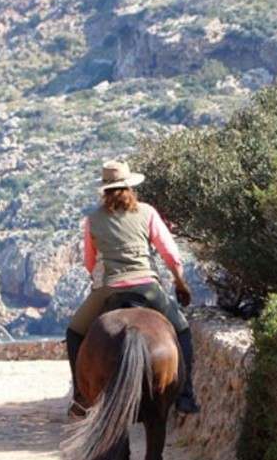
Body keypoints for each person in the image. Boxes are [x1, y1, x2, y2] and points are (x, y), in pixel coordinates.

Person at [65, 160, 202, 417]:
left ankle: (81, 397)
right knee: (182, 330)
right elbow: (171, 254)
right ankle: (186, 395)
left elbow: (89, 262)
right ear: (131, 187)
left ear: (105, 190)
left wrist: (103, 281)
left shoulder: (93, 220)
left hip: (109, 288)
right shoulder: (147, 213)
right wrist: (180, 283)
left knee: (74, 332)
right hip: (147, 287)